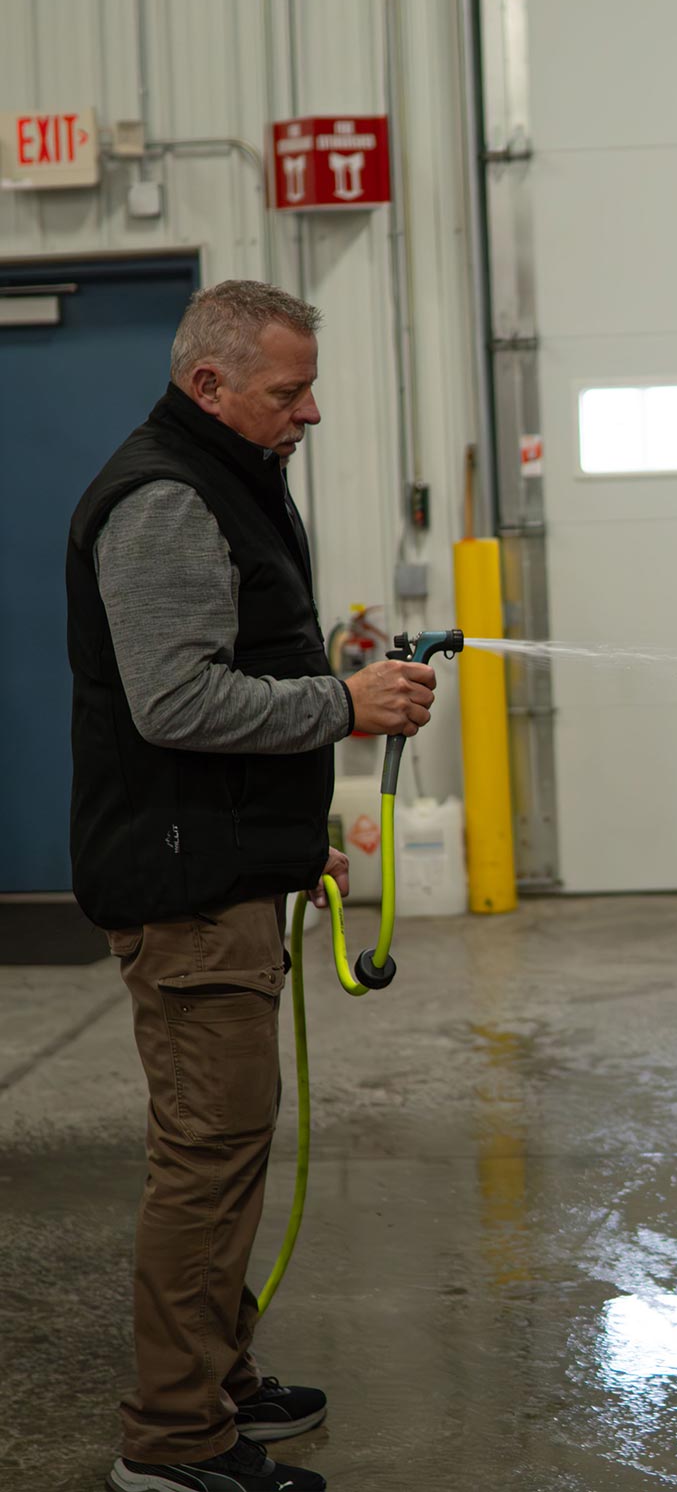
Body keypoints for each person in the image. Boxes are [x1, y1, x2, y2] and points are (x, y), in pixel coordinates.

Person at [67, 280, 438, 1492]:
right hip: (182, 891)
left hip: (223, 865)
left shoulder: (231, 477)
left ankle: (217, 1378)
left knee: (226, 1147)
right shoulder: (167, 499)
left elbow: (232, 673)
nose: (311, 411)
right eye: (291, 390)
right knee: (206, 1158)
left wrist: (289, 841)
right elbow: (175, 700)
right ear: (209, 384)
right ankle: (172, 1442)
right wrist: (345, 704)